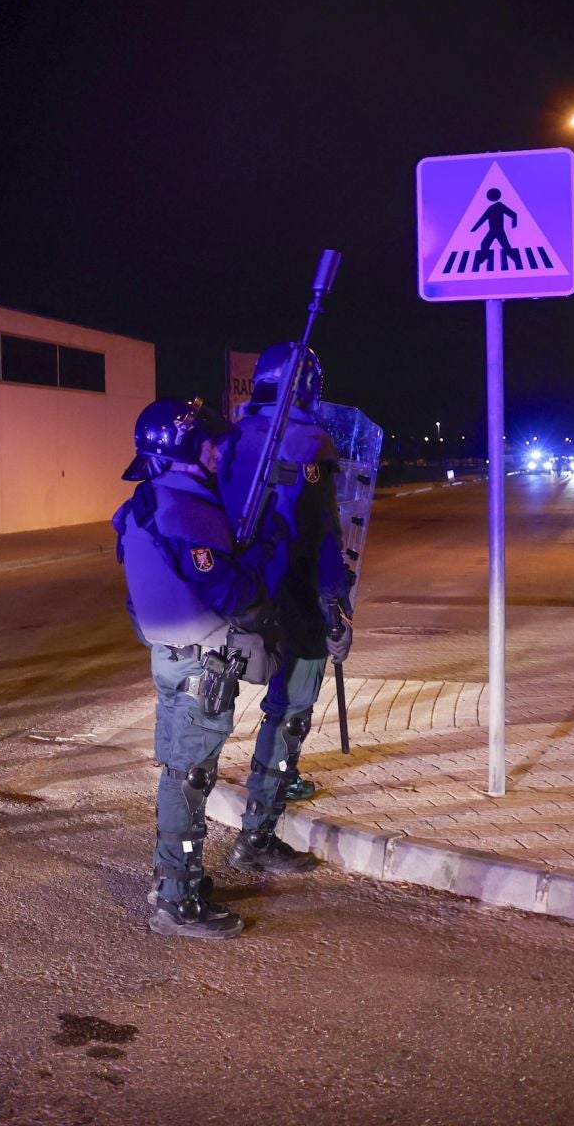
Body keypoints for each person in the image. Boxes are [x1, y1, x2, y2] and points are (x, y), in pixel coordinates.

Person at [114, 398, 273, 939]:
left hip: (171, 660)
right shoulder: (191, 514)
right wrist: (260, 554)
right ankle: (177, 899)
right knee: (189, 778)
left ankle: (173, 879)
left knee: (180, 773)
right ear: (190, 447)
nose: (220, 449)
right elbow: (231, 593)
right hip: (198, 667)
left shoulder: (144, 502)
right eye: (211, 441)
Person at [218, 344, 351, 876]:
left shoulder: (232, 436)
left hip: (237, 593)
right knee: (290, 711)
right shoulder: (308, 441)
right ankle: (257, 834)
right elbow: (320, 538)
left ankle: (267, 790)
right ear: (307, 386)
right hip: (292, 597)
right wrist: (335, 606)